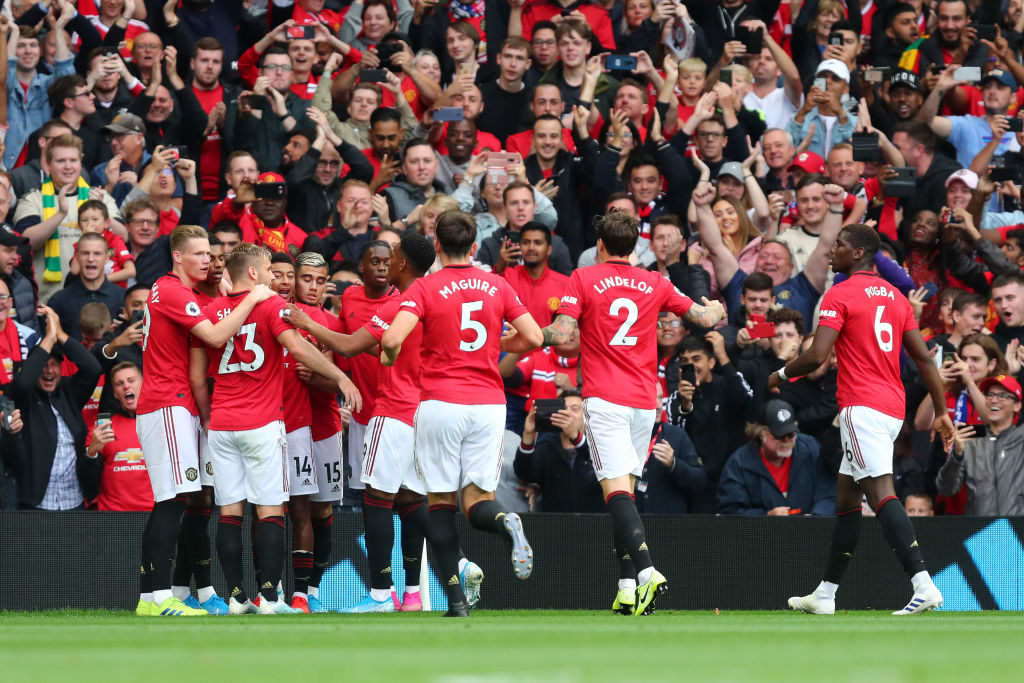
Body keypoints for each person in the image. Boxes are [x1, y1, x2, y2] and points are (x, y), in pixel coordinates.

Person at [540, 211, 725, 616]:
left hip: (605, 399)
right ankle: (626, 589)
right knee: (624, 495)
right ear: (635, 246)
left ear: (600, 246)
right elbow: (703, 318)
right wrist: (715, 309)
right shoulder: (655, 281)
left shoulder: (584, 277)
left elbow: (563, 332)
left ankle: (646, 571)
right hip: (644, 402)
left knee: (616, 493)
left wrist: (529, 333)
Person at [768, 223, 954, 616]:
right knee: (848, 498)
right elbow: (924, 358)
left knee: (881, 493)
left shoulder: (840, 293)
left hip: (861, 407)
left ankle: (923, 583)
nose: (831, 250)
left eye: (838, 244)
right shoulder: (895, 296)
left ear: (857, 253)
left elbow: (817, 355)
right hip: (892, 408)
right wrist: (941, 411)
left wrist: (781, 374)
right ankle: (825, 594)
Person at [380, 209, 544, 617]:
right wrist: (499, 345)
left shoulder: (425, 286)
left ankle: (456, 601)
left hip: (440, 402)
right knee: (477, 499)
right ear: (474, 246)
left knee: (439, 502)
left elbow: (392, 338)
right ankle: (504, 521)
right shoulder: (497, 284)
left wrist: (389, 356)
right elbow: (535, 337)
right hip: (488, 404)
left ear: (436, 244)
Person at [191, 242, 360, 616]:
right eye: (269, 269)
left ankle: (237, 597)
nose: (274, 277)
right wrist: (340, 377)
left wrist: (207, 418)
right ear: (253, 273)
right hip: (262, 423)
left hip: (222, 425)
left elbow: (198, 377)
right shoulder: (269, 307)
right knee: (270, 512)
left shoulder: (211, 312)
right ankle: (269, 597)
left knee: (230, 512)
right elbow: (298, 348)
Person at [134, 224, 276, 618]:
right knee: (172, 501)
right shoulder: (175, 292)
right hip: (169, 403)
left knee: (172, 500)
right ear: (177, 256)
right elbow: (214, 337)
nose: (207, 261)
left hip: (171, 404)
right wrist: (253, 297)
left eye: (210, 255)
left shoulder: (170, 290)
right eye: (198, 254)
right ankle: (162, 597)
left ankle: (149, 598)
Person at [6, 304, 101, 510]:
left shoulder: (69, 391)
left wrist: (60, 334)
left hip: (73, 502)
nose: (49, 370)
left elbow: (93, 369)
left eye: (54, 364)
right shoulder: (24, 397)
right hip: (37, 506)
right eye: (43, 364)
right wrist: (48, 339)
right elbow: (21, 384)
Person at [717, 399, 837, 516]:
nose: (786, 440)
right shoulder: (739, 463)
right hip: (765, 530)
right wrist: (766, 517)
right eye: (779, 436)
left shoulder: (810, 448)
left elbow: (828, 492)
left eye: (791, 434)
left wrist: (818, 516)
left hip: (809, 529)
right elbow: (730, 512)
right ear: (761, 434)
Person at [938, 375, 1024, 516]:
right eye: (990, 394)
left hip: (1017, 526)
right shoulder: (971, 442)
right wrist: (957, 455)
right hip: (980, 527)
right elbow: (946, 489)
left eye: (1002, 395)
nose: (994, 400)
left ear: (1017, 406)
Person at [513, 387, 604, 513]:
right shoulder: (546, 447)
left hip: (596, 522)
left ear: (586, 416)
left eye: (575, 409)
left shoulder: (600, 447)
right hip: (556, 522)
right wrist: (528, 434)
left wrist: (575, 437)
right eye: (563, 409)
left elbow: (601, 474)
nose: (567, 414)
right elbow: (524, 473)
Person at [83, 362, 152, 511]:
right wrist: (92, 452)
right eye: (119, 384)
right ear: (115, 393)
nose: (126, 386)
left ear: (144, 385)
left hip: (153, 513)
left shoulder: (162, 424)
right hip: (112, 515)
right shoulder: (103, 428)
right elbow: (87, 480)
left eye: (131, 380)